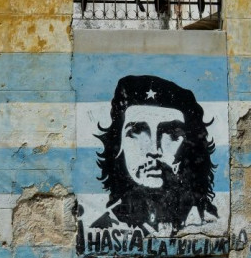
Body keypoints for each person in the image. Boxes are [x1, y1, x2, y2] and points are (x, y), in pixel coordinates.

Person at [91, 75, 218, 235]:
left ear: (191, 147)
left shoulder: (208, 225)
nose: (154, 149)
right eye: (136, 131)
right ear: (118, 146)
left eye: (172, 133)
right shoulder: (102, 230)